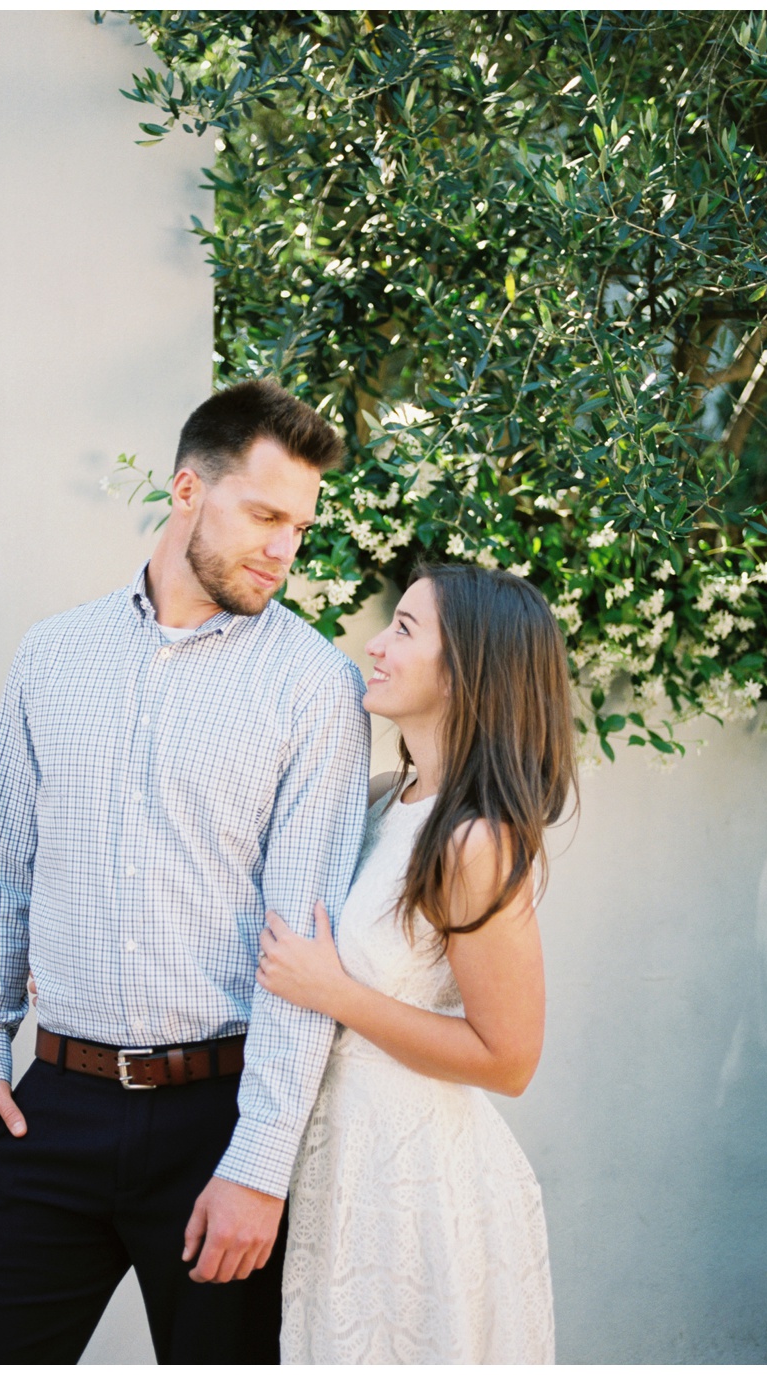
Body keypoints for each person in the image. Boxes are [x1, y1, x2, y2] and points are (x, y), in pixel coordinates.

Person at [0, 379, 369, 1363]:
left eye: (299, 526)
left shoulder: (315, 689)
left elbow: (305, 943)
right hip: (52, 1111)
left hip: (219, 1122)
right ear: (186, 488)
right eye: (264, 514)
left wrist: (259, 1165)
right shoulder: (52, 656)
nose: (283, 549)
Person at [255, 564, 573, 1363]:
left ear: (466, 669)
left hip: (415, 1188)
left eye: (404, 628)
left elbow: (510, 1058)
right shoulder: (378, 799)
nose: (376, 643)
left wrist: (337, 994)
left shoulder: (476, 839)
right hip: (336, 1168)